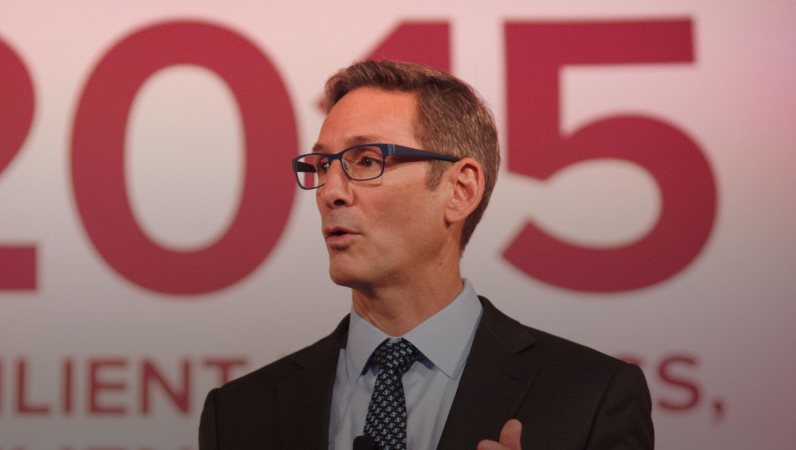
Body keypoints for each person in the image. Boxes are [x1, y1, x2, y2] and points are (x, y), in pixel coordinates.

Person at [198, 60, 653, 450]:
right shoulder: (239, 415)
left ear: (461, 190)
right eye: (321, 166)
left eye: (366, 160)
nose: (330, 192)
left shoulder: (591, 398)